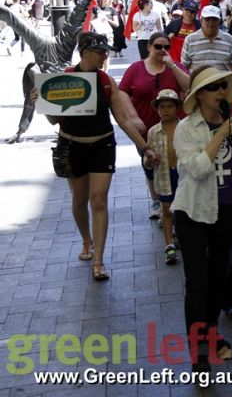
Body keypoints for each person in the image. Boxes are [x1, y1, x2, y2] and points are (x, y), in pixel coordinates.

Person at [45, 32, 150, 280]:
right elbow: (53, 119)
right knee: (79, 199)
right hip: (72, 146)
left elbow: (122, 119)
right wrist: (43, 102)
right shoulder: (66, 78)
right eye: (101, 51)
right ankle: (86, 240)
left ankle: (99, 261)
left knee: (99, 199)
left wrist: (144, 147)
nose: (105, 55)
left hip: (102, 144)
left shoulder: (105, 81)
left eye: (106, 51)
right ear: (85, 52)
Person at [171, 66, 232, 375]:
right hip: (192, 213)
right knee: (197, 283)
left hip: (225, 212)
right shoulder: (186, 128)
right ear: (200, 95)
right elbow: (198, 169)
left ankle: (212, 334)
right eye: (214, 88)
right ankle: (198, 350)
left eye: (222, 87)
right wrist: (218, 136)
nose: (221, 93)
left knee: (219, 279)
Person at [119, 32, 190, 221]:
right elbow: (122, 92)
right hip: (145, 129)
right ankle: (156, 200)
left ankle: (176, 199)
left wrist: (172, 66)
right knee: (151, 164)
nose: (162, 50)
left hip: (174, 127)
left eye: (166, 46)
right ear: (149, 47)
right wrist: (133, 116)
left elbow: (188, 86)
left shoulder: (174, 67)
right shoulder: (136, 68)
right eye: (158, 46)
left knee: (175, 163)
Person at [144, 89, 184, 265]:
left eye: (170, 106)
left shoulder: (185, 127)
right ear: (157, 109)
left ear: (177, 108)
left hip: (183, 175)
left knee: (184, 210)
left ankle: (183, 238)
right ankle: (169, 245)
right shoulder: (153, 131)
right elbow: (148, 158)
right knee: (167, 210)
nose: (166, 110)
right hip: (164, 175)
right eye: (162, 107)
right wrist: (150, 160)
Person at [181, 5, 232, 72]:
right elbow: (184, 66)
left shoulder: (229, 39)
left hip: (222, 81)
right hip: (199, 82)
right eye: (207, 19)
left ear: (219, 21)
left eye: (214, 19)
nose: (211, 22)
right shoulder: (190, 40)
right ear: (201, 20)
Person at [165, 0, 200, 64]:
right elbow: (162, 38)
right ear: (183, 10)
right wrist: (168, 38)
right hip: (175, 60)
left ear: (196, 13)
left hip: (193, 59)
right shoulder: (174, 23)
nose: (189, 14)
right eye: (187, 10)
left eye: (192, 12)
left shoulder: (199, 25)